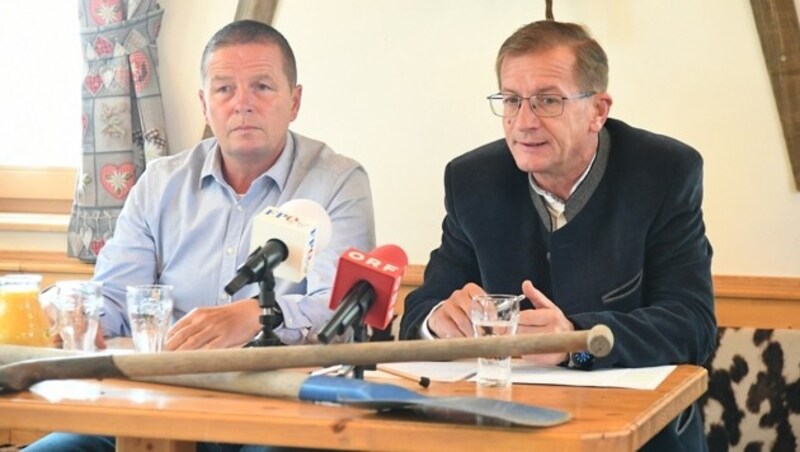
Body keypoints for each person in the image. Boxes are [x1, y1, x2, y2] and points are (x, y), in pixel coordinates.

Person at [25, 19, 375, 452]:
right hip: (158, 401)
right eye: (224, 89)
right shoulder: (160, 182)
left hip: (282, 410)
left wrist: (256, 314)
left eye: (262, 86)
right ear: (204, 104)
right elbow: (113, 296)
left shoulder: (337, 182)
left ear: (295, 100)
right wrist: (80, 315)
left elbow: (340, 311)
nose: (242, 103)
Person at [399, 20, 716, 451]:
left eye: (547, 101)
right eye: (511, 101)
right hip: (503, 436)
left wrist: (573, 342)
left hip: (636, 440)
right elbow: (419, 312)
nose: (524, 122)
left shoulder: (663, 173)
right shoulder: (472, 181)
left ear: (598, 111)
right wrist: (438, 321)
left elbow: (691, 327)